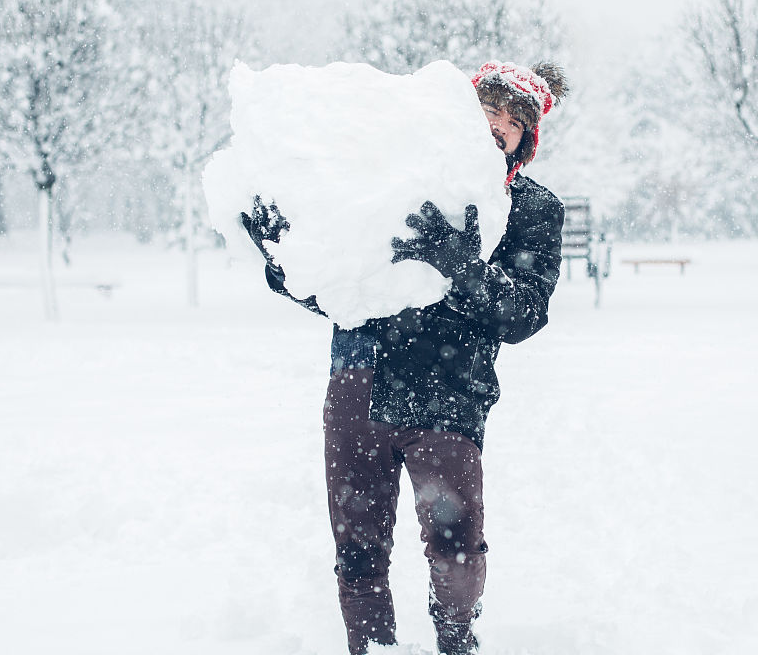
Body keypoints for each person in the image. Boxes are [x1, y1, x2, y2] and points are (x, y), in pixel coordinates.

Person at [240, 61, 568, 655]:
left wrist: (460, 264)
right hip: (358, 381)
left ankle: (456, 642)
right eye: (487, 111)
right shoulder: (396, 182)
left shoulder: (533, 209)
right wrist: (284, 260)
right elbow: (342, 287)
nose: (498, 125)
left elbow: (523, 315)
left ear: (527, 137)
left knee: (456, 546)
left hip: (450, 392)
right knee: (359, 551)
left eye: (514, 121)